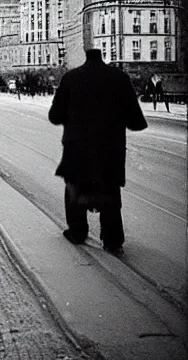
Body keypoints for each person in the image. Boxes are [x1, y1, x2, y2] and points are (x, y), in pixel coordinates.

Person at [48, 49, 148, 255]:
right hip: (110, 149)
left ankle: (77, 230)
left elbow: (55, 116)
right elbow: (137, 122)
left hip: (77, 148)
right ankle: (112, 239)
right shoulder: (120, 78)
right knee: (110, 189)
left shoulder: (70, 78)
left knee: (74, 187)